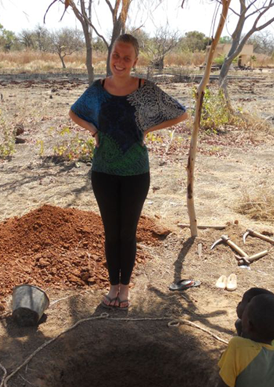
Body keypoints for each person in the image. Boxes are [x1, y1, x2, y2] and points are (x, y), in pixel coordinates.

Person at [69, 34, 188, 310]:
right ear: (110, 56)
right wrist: (94, 130)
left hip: (136, 173)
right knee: (111, 233)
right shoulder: (98, 90)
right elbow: (74, 113)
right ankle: (113, 287)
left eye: (126, 57)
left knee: (128, 232)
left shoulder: (145, 89)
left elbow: (180, 113)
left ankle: (125, 290)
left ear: (135, 61)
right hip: (104, 172)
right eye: (115, 55)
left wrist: (147, 128)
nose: (119, 62)